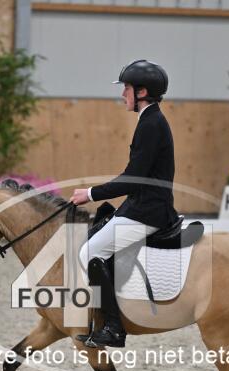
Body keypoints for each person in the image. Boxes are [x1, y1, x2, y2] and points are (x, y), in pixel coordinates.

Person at [69, 59, 178, 348]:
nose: (122, 94)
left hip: (148, 211)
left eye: (126, 89)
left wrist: (91, 193)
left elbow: (133, 178)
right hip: (141, 204)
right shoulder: (150, 120)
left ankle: (114, 328)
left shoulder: (151, 124)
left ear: (142, 92)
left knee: (90, 252)